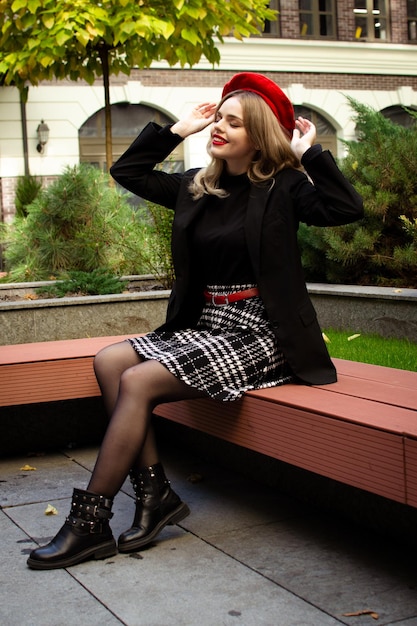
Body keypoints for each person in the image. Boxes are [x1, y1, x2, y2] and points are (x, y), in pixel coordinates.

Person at [27, 72, 363, 570]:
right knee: (108, 361)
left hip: (260, 330)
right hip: (205, 323)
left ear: (260, 136)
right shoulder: (196, 186)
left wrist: (308, 153)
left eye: (235, 122)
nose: (219, 128)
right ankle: (155, 493)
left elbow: (344, 208)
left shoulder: (284, 187)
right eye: (219, 119)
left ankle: (89, 523)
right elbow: (129, 172)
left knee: (138, 380)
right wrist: (177, 129)